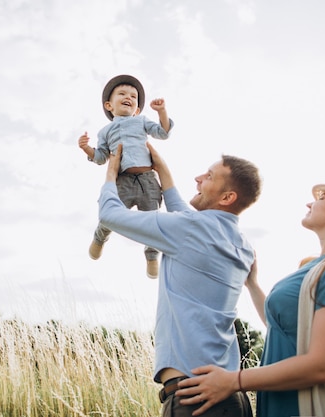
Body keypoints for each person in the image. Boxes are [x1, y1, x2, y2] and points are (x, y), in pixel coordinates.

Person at [175, 178, 325, 417]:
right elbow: (284, 328)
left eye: (321, 198)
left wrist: (234, 381)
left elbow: (322, 366)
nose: (309, 203)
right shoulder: (318, 267)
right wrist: (253, 284)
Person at [99, 142, 261, 417]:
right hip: (234, 399)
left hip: (194, 399)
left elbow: (110, 215)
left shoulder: (190, 230)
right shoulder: (242, 245)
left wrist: (111, 173)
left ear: (227, 197)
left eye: (209, 176)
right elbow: (182, 213)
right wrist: (162, 168)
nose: (198, 179)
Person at [78, 74, 173, 278]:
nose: (128, 97)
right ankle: (100, 238)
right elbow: (101, 157)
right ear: (109, 105)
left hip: (147, 180)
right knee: (111, 213)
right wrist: (87, 149)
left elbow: (163, 133)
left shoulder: (141, 121)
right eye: (121, 94)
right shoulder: (105, 132)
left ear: (137, 109)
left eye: (133, 96)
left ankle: (151, 256)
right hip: (123, 180)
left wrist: (162, 112)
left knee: (152, 220)